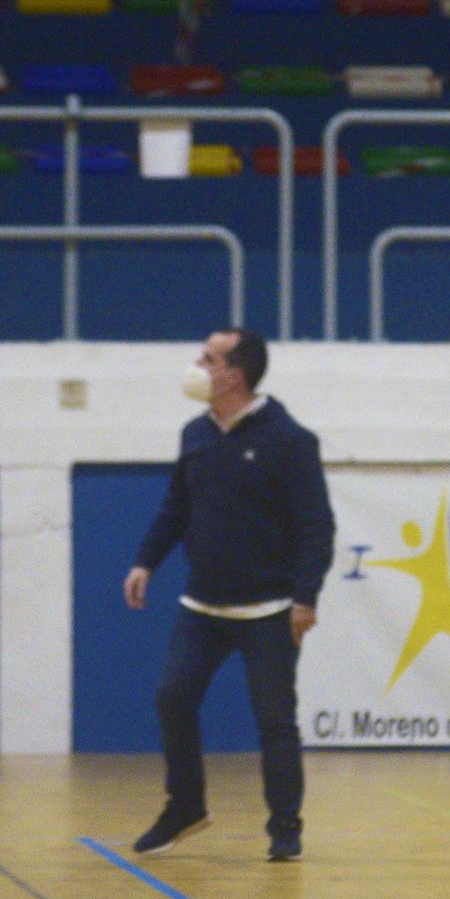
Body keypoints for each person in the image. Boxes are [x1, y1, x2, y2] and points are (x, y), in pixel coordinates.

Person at [123, 328, 335, 862]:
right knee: (173, 698)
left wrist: (305, 597)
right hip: (203, 605)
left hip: (270, 610)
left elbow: (317, 527)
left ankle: (285, 827)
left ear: (233, 375)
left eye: (207, 358)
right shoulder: (194, 434)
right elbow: (176, 508)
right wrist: (145, 561)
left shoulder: (290, 440)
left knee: (275, 721)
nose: (196, 365)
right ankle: (185, 807)